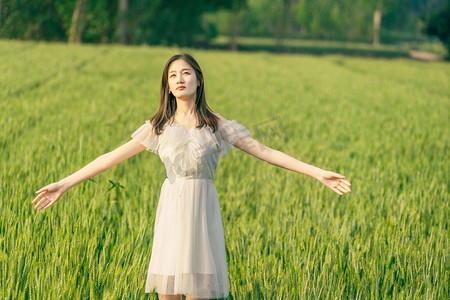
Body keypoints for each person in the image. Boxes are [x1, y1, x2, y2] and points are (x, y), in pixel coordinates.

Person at [32, 53, 351, 300]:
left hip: (202, 214)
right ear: (168, 85)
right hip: (171, 212)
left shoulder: (217, 124)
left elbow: (265, 151)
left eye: (185, 72)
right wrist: (65, 183)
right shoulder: (158, 126)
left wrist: (317, 172)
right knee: (167, 290)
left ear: (198, 79)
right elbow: (109, 158)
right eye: (173, 75)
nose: (179, 78)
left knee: (198, 289)